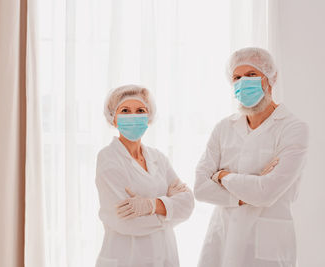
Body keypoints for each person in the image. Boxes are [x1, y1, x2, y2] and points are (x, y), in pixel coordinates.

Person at [194, 47, 309, 267]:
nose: (243, 82)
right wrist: (246, 193)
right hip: (222, 238)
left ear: (270, 79)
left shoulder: (293, 128)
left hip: (267, 245)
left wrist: (222, 176)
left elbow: (266, 193)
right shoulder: (224, 127)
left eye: (251, 75)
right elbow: (200, 188)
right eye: (237, 77)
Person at [95, 84, 194, 267]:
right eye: (125, 110)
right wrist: (169, 208)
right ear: (113, 118)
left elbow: (188, 204)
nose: (133, 116)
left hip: (165, 255)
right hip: (127, 258)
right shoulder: (108, 158)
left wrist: (150, 205)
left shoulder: (158, 158)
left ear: (149, 117)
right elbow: (124, 221)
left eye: (140, 110)